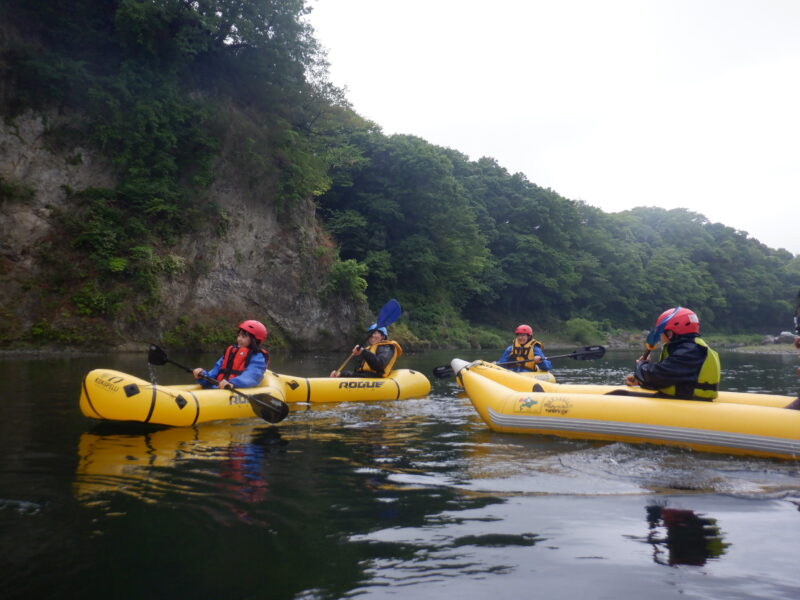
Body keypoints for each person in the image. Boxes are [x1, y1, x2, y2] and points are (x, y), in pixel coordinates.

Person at [625, 307, 720, 400]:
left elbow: (657, 375)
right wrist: (641, 382)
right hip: (684, 399)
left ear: (670, 333)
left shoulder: (690, 352)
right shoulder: (688, 348)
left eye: (661, 332)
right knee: (620, 394)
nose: (659, 336)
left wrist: (641, 365)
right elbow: (668, 379)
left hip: (690, 406)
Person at [193, 320, 270, 389]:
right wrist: (202, 375)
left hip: (236, 388)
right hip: (220, 388)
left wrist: (233, 383)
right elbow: (214, 372)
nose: (239, 339)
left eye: (244, 336)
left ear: (254, 340)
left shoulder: (257, 358)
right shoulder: (230, 352)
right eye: (239, 336)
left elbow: (251, 376)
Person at [329, 323, 403, 378]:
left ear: (383, 336)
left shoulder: (387, 347)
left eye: (375, 333)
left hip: (377, 379)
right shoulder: (367, 350)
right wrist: (340, 374)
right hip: (365, 378)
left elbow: (379, 366)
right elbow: (358, 373)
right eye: (370, 334)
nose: (372, 336)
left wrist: (363, 351)